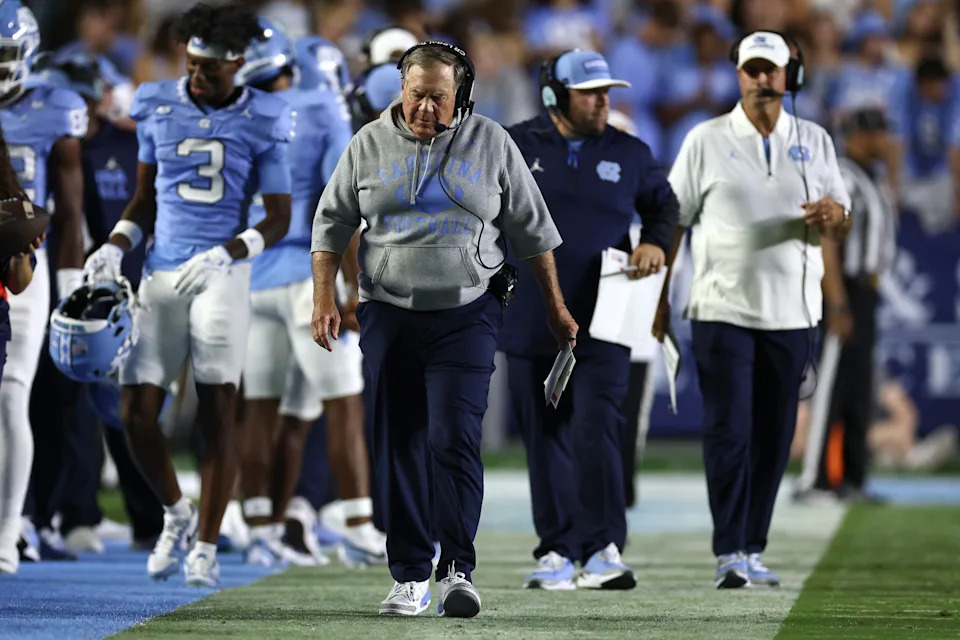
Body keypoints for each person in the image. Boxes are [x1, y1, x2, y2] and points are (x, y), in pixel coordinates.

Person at [311, 41, 577, 618]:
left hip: (468, 311)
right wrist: (324, 300)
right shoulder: (367, 144)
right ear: (400, 92)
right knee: (398, 439)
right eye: (416, 95)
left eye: (438, 97)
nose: (425, 108)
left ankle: (458, 567)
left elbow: (534, 232)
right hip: (387, 310)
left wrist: (556, 309)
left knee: (452, 435)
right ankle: (409, 575)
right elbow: (331, 224)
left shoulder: (492, 142)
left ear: (463, 96)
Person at [81, 2, 293, 588]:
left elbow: (278, 217)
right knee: (134, 411)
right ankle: (176, 513)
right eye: (192, 65)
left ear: (239, 65)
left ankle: (205, 543)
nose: (197, 77)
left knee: (218, 413)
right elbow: (146, 198)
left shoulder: (265, 116)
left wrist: (229, 251)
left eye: (210, 69)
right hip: (161, 272)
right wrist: (114, 244)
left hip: (222, 275)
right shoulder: (156, 102)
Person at [654, 31, 851, 589]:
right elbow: (674, 221)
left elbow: (844, 216)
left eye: (773, 70)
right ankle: (729, 550)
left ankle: (752, 545)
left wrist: (836, 212)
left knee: (773, 435)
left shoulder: (815, 139)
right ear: (739, 75)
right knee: (729, 430)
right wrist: (661, 299)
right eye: (752, 70)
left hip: (792, 313)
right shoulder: (705, 139)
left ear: (793, 75)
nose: (762, 80)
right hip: (722, 309)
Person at [499, 49, 678, 591]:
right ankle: (555, 549)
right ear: (554, 95)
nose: (604, 101)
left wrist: (653, 242)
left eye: (607, 91)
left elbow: (664, 205)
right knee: (545, 434)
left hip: (607, 313)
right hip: (533, 314)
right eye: (590, 92)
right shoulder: (513, 144)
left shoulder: (629, 150)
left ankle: (602, 546)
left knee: (599, 427)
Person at [234, 17, 383, 568]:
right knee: (343, 405)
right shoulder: (320, 110)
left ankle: (259, 527)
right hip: (306, 274)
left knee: (263, 409)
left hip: (251, 277)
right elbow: (339, 206)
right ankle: (362, 525)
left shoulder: (235, 114)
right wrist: (353, 288)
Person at [0, 0, 88, 572]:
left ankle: (7, 533)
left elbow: (72, 207)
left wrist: (73, 286)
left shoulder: (54, 107)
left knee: (12, 395)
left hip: (19, 264)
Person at [800, 107, 897, 501]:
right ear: (856, 135)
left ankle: (853, 478)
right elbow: (827, 241)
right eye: (874, 133)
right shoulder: (842, 176)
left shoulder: (872, 177)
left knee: (858, 388)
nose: (882, 140)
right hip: (847, 290)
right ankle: (816, 480)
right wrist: (837, 300)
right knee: (832, 387)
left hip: (868, 290)